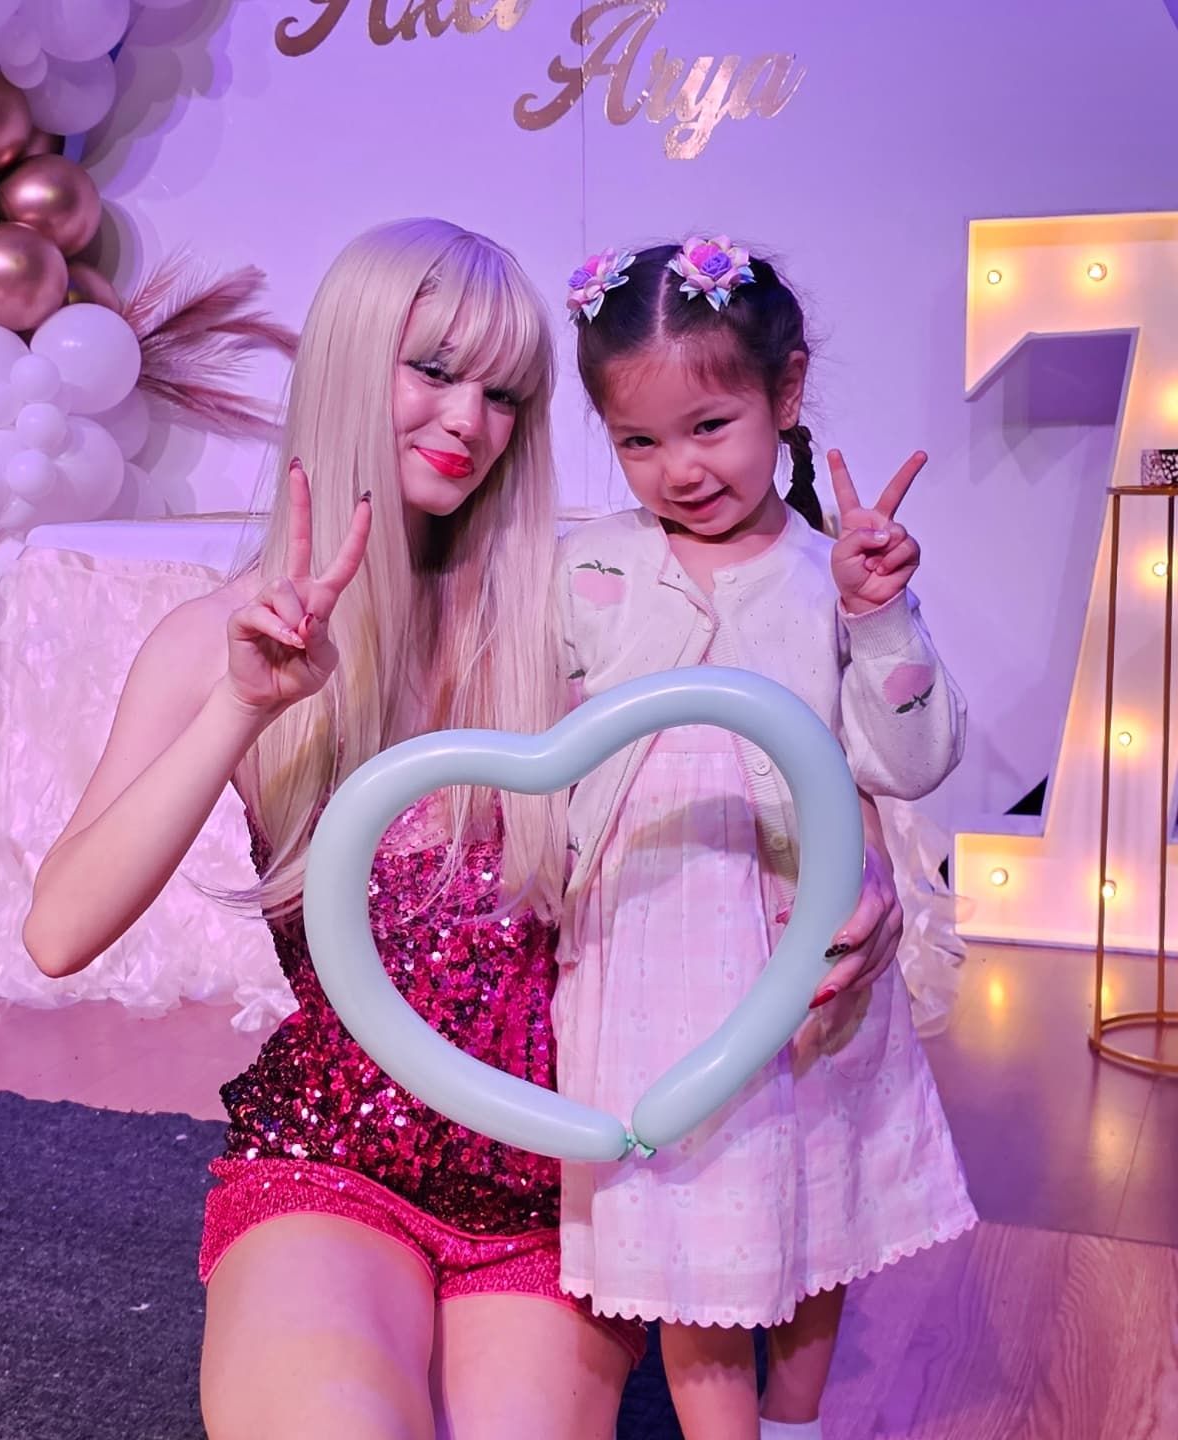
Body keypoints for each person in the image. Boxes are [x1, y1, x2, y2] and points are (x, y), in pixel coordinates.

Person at [22, 218, 647, 1440]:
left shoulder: (580, 626)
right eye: (434, 370)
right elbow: (58, 932)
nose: (470, 419)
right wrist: (240, 709)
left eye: (506, 392)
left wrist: (856, 893)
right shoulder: (215, 640)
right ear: (356, 366)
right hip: (332, 1158)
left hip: (545, 1176)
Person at [553, 236, 977, 1440]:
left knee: (811, 1223)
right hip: (647, 954)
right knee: (696, 1242)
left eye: (711, 424)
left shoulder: (828, 576)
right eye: (640, 441)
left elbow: (910, 761)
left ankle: (797, 1428)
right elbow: (540, 747)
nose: (679, 469)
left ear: (785, 395)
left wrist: (877, 614)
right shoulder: (584, 567)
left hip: (802, 951)